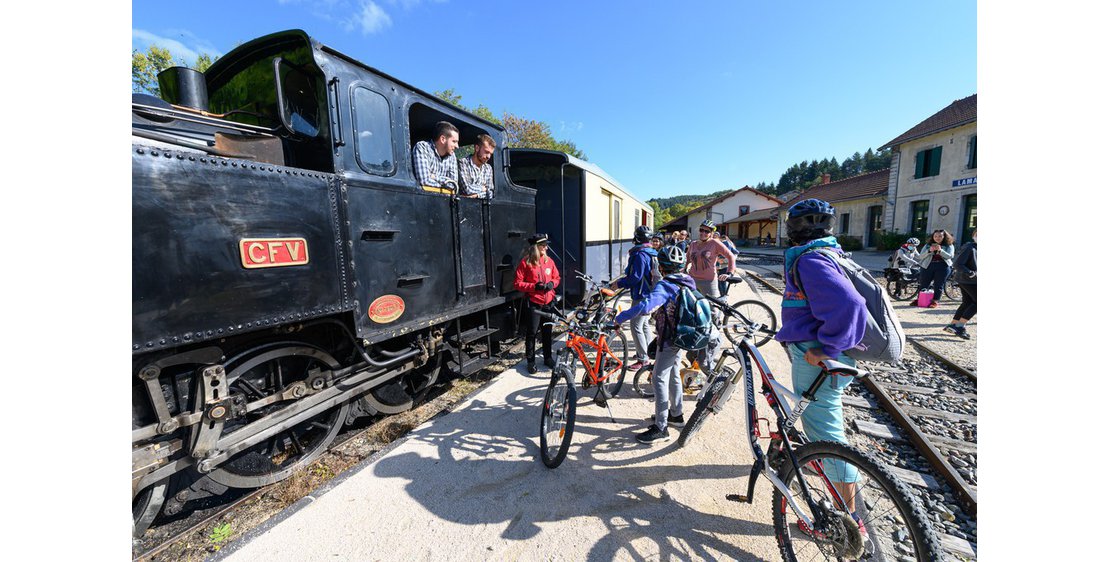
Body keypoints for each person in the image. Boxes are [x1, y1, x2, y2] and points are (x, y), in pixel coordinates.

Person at [774, 198, 869, 523]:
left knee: (826, 436)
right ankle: (837, 491)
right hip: (819, 352)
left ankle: (847, 519)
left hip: (817, 357)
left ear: (797, 228)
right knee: (822, 429)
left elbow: (851, 304)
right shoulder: (828, 253)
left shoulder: (810, 260)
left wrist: (828, 348)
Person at [614, 245, 720, 444]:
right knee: (672, 374)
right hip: (683, 336)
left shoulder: (665, 285)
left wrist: (621, 317)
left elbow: (646, 306)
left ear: (661, 267)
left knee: (658, 378)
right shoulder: (688, 282)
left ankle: (661, 428)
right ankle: (676, 415)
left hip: (670, 338)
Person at [610, 225, 659, 371]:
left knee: (635, 326)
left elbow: (635, 278)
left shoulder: (640, 254)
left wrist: (618, 283)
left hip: (641, 294)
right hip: (650, 293)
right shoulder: (652, 252)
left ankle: (643, 359)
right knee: (643, 325)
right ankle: (650, 352)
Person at [513, 234, 561, 374]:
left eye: (546, 245)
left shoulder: (549, 261)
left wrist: (552, 284)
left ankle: (547, 358)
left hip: (549, 303)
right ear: (536, 247)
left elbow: (556, 277)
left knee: (547, 332)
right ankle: (531, 361)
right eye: (544, 245)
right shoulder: (526, 263)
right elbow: (518, 283)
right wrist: (535, 287)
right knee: (532, 333)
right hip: (534, 303)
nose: (547, 247)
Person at [685, 220, 734, 312]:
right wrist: (684, 269)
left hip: (708, 282)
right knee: (691, 308)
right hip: (692, 280)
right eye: (701, 230)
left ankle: (716, 325)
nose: (703, 233)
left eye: (707, 231)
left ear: (711, 233)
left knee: (713, 311)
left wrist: (729, 273)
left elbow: (731, 256)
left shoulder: (715, 243)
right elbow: (688, 258)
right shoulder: (693, 244)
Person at [944, 230, 977, 339]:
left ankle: (954, 324)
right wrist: (970, 273)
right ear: (973, 236)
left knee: (967, 302)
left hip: (967, 280)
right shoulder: (970, 247)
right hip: (969, 280)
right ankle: (960, 326)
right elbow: (957, 264)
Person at [412, 121, 460, 191]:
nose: (457, 146)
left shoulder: (452, 156)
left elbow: (453, 185)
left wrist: (434, 177)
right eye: (454, 141)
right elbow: (424, 180)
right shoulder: (422, 147)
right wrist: (445, 183)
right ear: (443, 139)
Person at [915, 229, 955, 308]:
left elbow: (950, 256)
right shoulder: (927, 245)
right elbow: (920, 256)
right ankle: (920, 299)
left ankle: (935, 301)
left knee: (938, 285)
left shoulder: (949, 245)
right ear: (933, 237)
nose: (937, 238)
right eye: (935, 236)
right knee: (923, 283)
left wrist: (941, 251)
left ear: (944, 237)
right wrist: (929, 251)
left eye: (940, 236)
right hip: (927, 266)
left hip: (943, 267)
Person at [458, 133, 495, 199]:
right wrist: (483, 188)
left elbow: (491, 193)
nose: (488, 156)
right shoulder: (463, 163)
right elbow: (466, 189)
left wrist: (477, 196)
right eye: (486, 152)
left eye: (491, 154)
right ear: (477, 148)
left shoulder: (488, 168)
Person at [715, 232, 740, 296]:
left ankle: (723, 295)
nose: (714, 237)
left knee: (722, 281)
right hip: (721, 266)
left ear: (719, 237)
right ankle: (723, 295)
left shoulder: (725, 243)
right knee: (721, 282)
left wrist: (725, 260)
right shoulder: (720, 243)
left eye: (716, 236)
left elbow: (733, 254)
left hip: (724, 266)